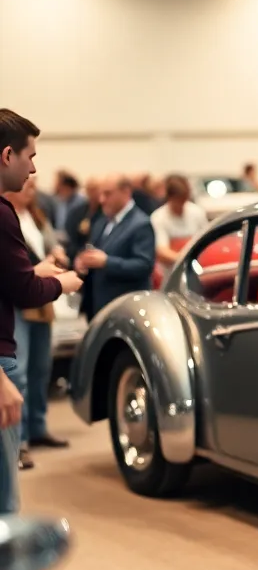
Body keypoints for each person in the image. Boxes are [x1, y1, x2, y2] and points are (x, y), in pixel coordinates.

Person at [0, 109, 82, 512]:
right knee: (4, 505)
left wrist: (32, 271)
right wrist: (60, 283)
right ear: (6, 155)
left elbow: (11, 280)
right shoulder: (2, 212)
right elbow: (24, 291)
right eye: (30, 157)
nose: (34, 169)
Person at [6, 179, 70, 466]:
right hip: (20, 303)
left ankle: (37, 427)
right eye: (28, 185)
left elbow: (52, 242)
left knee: (41, 367)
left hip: (41, 302)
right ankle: (18, 442)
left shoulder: (36, 215)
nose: (32, 188)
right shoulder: (8, 217)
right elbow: (13, 270)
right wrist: (37, 269)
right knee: (17, 372)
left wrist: (57, 254)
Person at [75, 175, 156, 321]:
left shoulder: (140, 224)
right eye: (101, 194)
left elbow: (144, 266)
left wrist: (107, 262)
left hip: (126, 310)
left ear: (125, 192)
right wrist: (83, 260)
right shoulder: (102, 221)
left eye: (108, 194)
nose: (102, 200)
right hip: (99, 306)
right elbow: (93, 249)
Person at [150, 174, 208, 271]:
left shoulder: (197, 212)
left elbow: (206, 239)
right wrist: (186, 258)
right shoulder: (158, 217)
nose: (181, 205)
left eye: (184, 200)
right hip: (170, 271)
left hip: (197, 266)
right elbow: (161, 251)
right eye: (178, 201)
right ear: (169, 198)